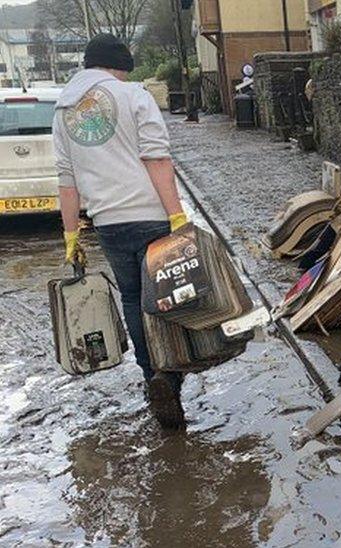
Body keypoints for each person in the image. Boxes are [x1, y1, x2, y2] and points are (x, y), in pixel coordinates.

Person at [54, 34, 188, 429]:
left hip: (108, 221)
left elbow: (66, 180)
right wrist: (177, 215)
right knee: (164, 298)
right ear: (119, 68)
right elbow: (156, 157)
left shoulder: (63, 109)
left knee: (132, 297)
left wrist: (71, 235)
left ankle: (151, 377)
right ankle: (171, 376)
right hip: (151, 216)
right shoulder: (134, 96)